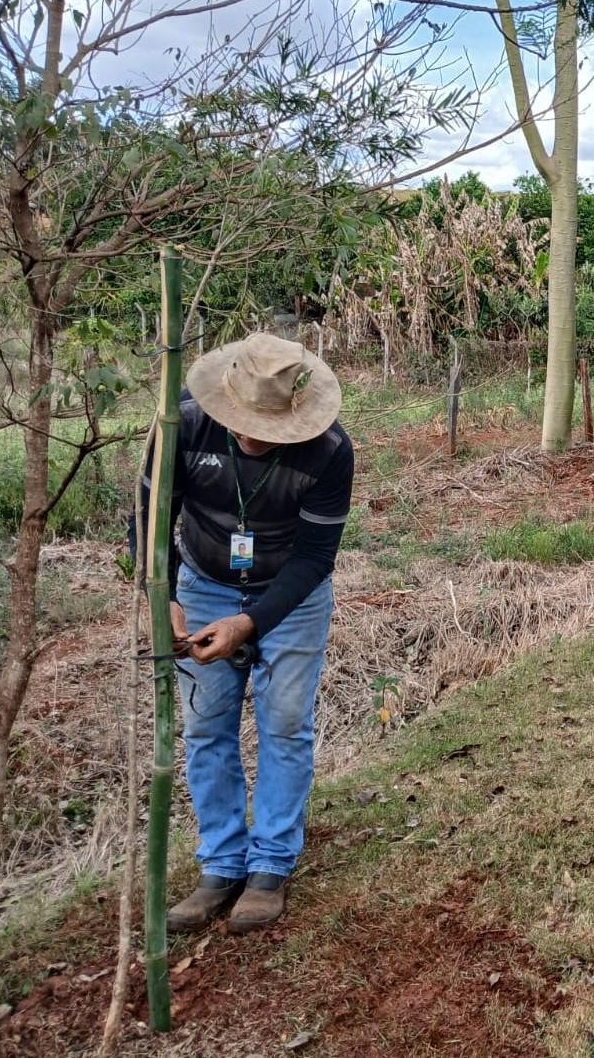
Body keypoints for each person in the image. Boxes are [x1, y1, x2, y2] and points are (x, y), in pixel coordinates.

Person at [137, 332, 354, 934]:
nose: (255, 436)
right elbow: (149, 520)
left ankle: (270, 867)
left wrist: (250, 622)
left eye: (270, 426)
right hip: (202, 581)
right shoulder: (179, 426)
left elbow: (315, 558)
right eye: (245, 422)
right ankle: (222, 865)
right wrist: (163, 597)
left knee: (285, 722)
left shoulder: (331, 451)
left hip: (293, 591)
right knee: (206, 725)